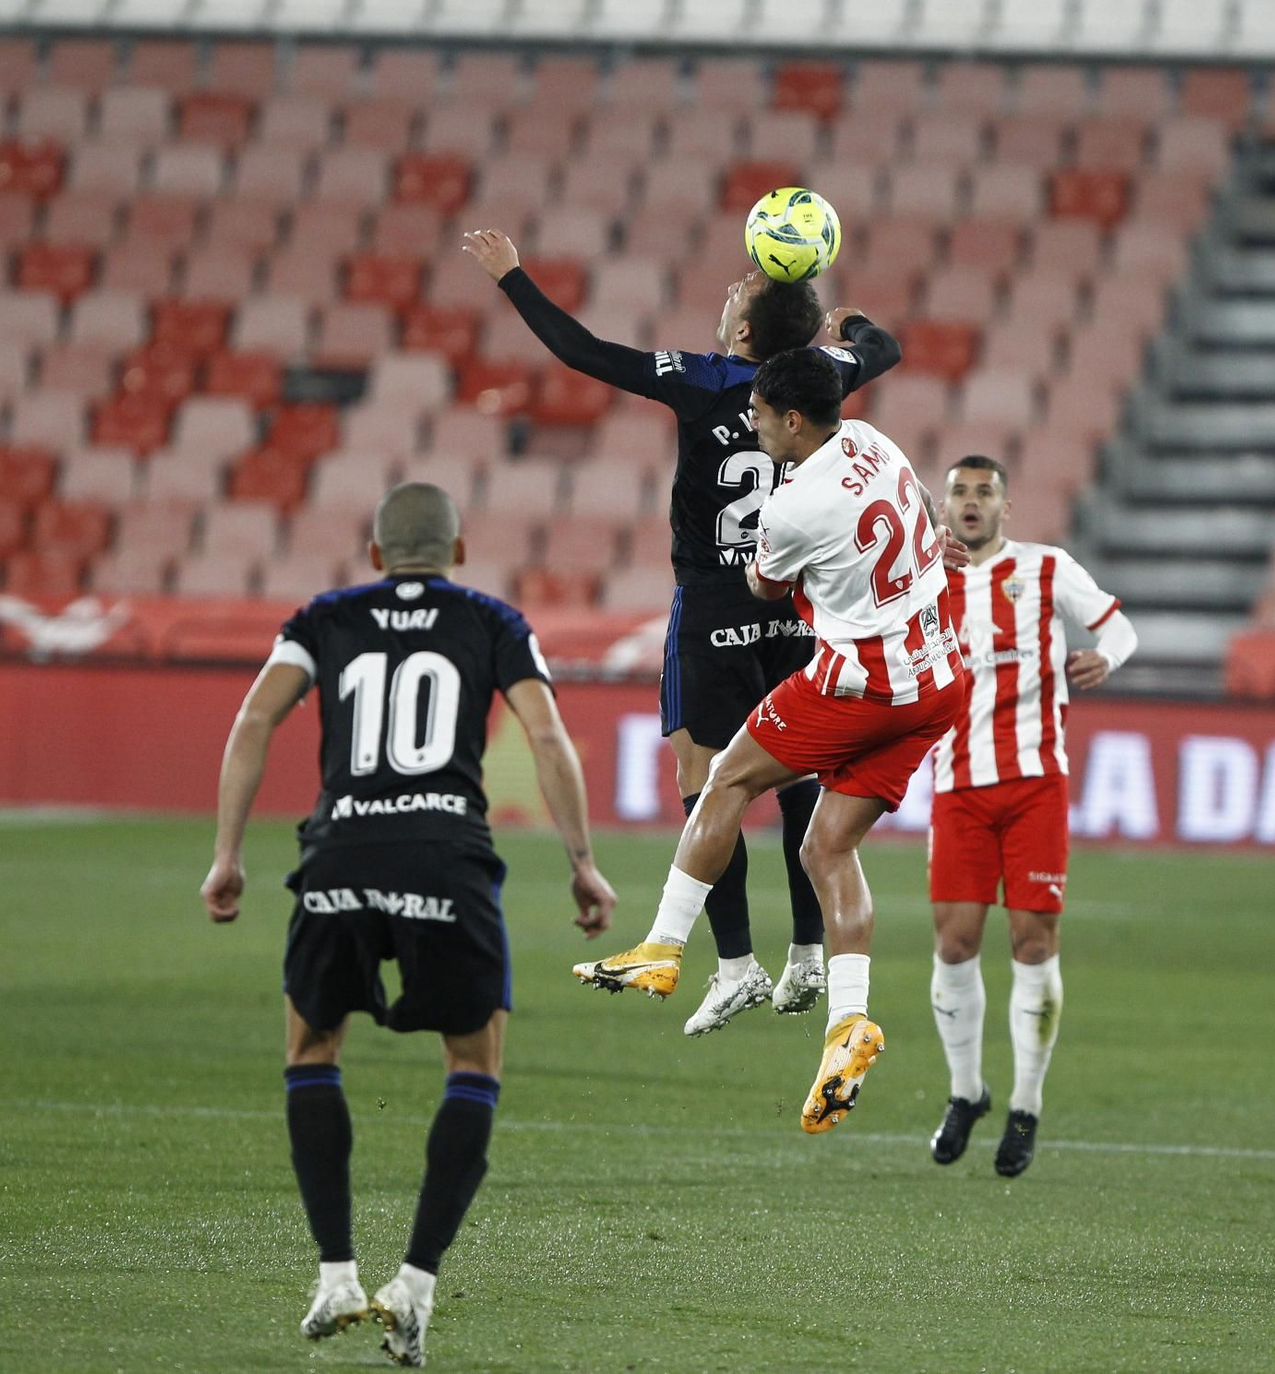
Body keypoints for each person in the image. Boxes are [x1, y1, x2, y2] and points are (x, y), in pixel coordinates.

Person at [198, 482, 617, 1367]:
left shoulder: (324, 616)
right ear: (458, 553)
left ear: (376, 554)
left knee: (312, 1052)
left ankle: (335, 1275)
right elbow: (546, 738)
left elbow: (252, 720)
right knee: (473, 1064)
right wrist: (581, 861)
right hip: (446, 856)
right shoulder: (491, 620)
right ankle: (416, 1288)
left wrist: (228, 852)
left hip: (340, 852)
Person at [463, 227, 903, 1038]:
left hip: (713, 603)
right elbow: (887, 349)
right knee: (798, 769)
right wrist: (853, 328)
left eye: (738, 292)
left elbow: (583, 352)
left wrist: (513, 278)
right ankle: (808, 951)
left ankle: (736, 964)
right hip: (802, 606)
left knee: (707, 781)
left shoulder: (700, 382)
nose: (732, 291)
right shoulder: (826, 374)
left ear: (741, 333)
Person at [574, 349, 963, 1134]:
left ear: (793, 420)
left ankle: (663, 945)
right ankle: (848, 1026)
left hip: (863, 681)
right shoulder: (877, 443)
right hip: (938, 679)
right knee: (826, 849)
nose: (748, 425)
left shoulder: (790, 506)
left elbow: (763, 586)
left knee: (725, 779)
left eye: (757, 415)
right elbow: (918, 503)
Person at [926, 456, 1138, 1178]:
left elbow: (1120, 628)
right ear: (945, 505)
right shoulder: (927, 577)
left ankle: (1025, 1105)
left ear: (1006, 506)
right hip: (956, 785)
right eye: (960, 491)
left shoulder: (1046, 570)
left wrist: (1105, 658)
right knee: (954, 944)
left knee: (1032, 945)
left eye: (985, 492)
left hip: (1034, 785)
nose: (971, 502)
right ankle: (965, 1092)